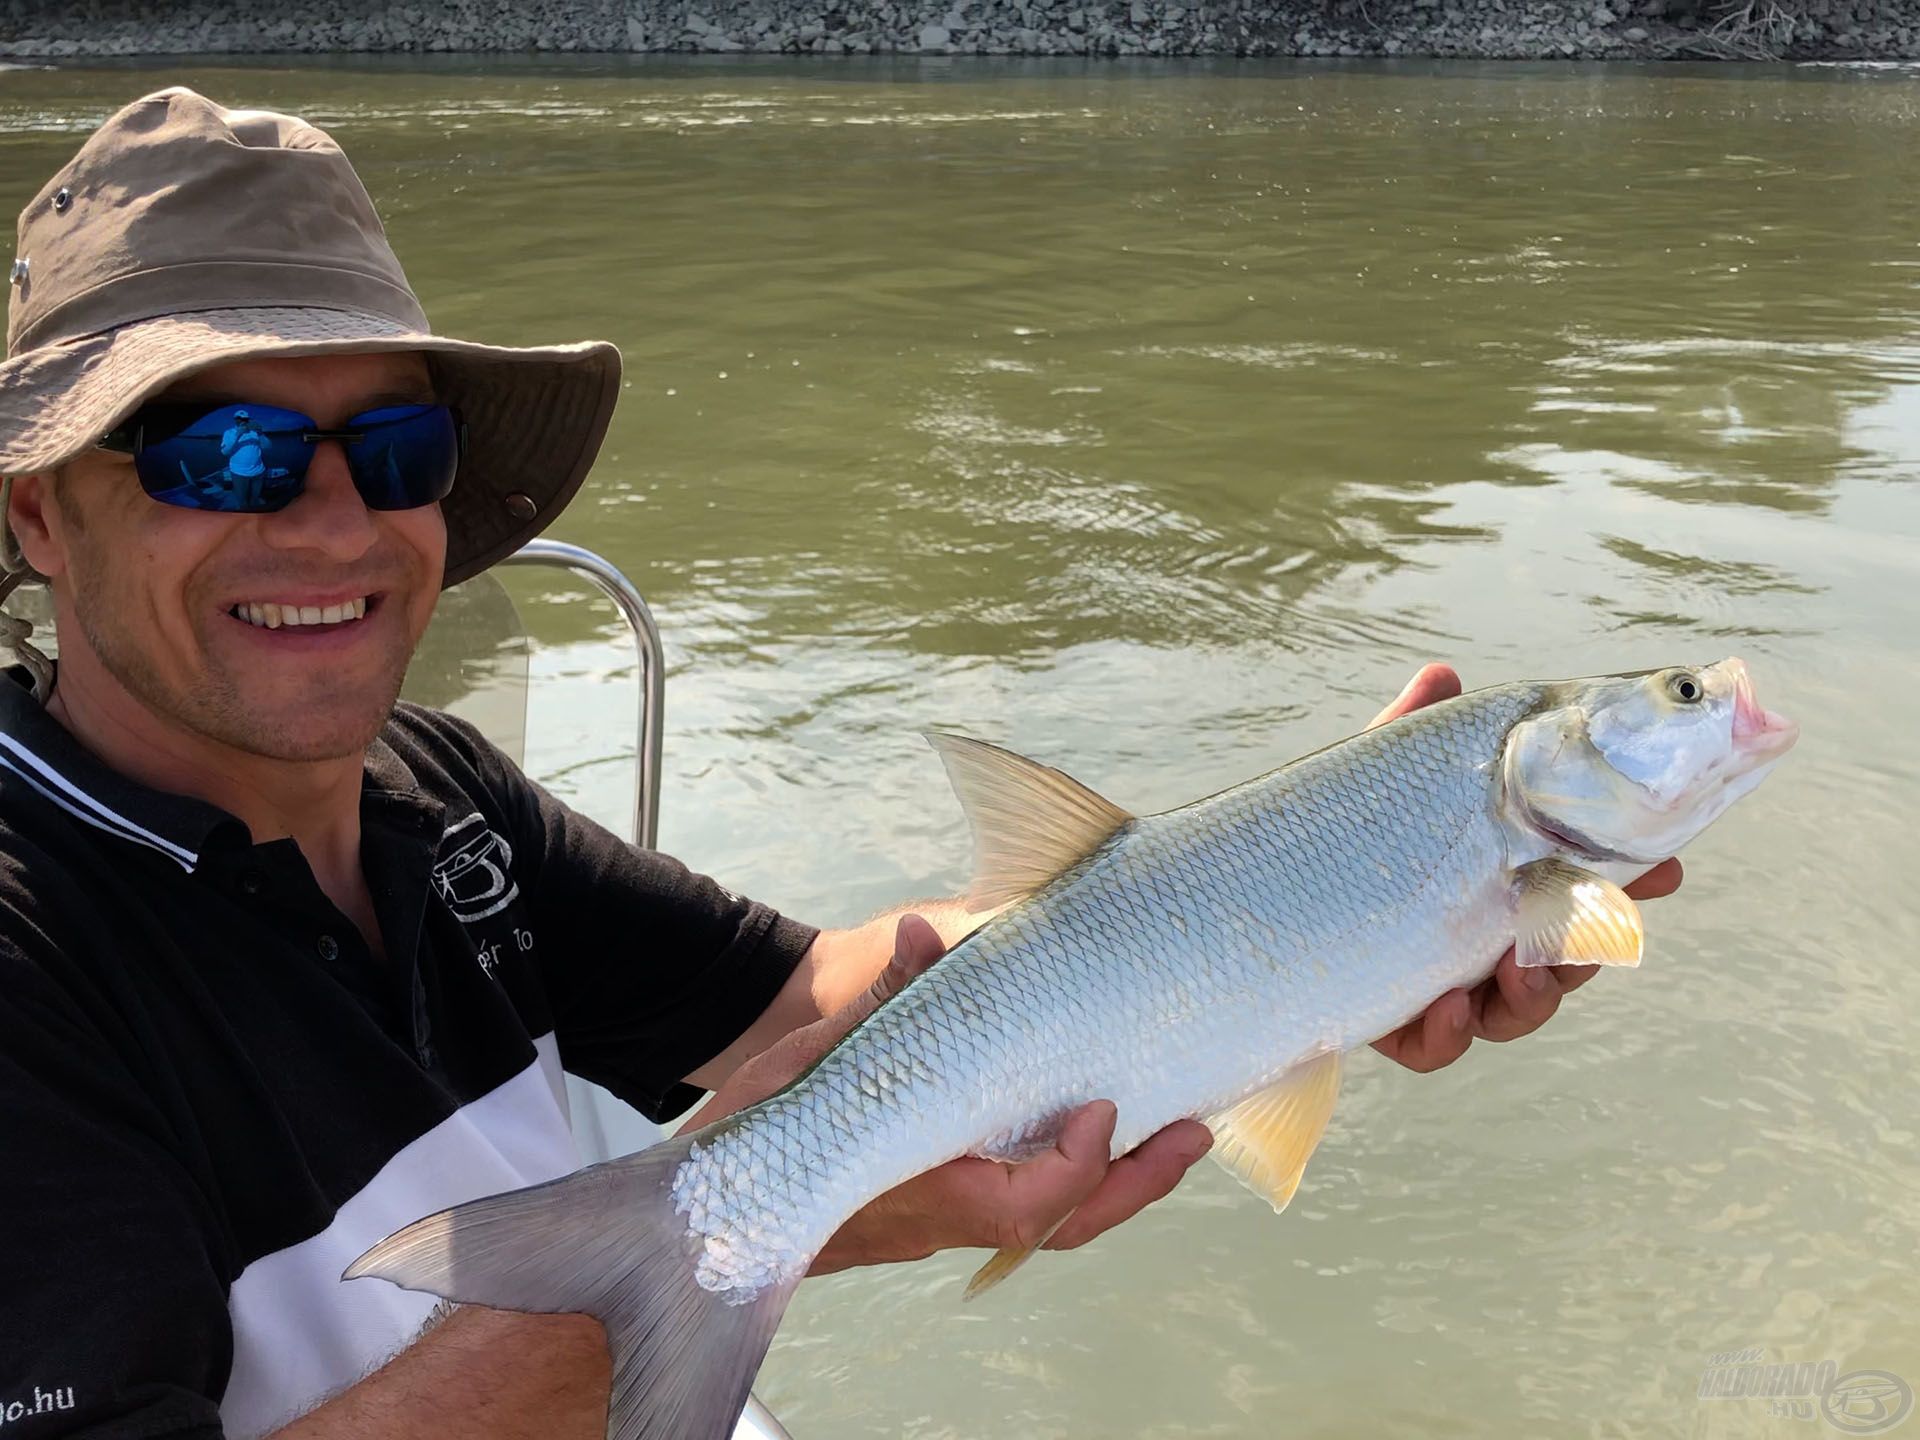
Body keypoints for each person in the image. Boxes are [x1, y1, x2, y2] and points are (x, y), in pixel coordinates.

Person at [0, 88, 1682, 1440]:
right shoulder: (33, 959)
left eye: (395, 444)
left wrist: (1281, 908)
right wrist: (784, 1219)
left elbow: (810, 993)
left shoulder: (439, 802)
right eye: (220, 451)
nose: (334, 519)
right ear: (35, 513)